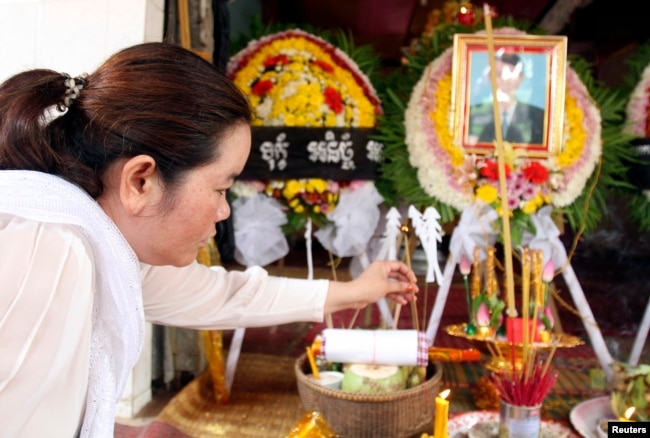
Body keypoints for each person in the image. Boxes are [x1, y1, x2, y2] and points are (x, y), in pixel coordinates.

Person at [0, 42, 418, 437]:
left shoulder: (98, 244)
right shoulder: (50, 252)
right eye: (221, 188)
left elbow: (222, 295)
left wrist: (353, 291)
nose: (225, 210)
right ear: (141, 181)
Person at [467, 52, 546, 146]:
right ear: (489, 77)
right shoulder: (473, 113)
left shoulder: (536, 115)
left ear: (521, 78)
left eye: (512, 74)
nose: (505, 81)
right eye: (499, 75)